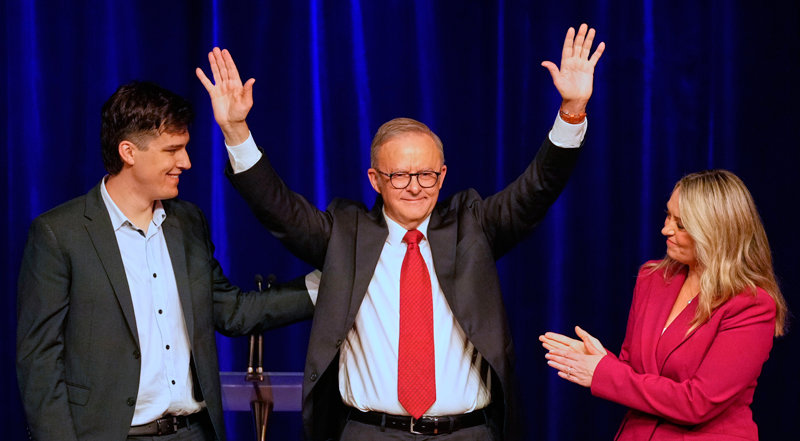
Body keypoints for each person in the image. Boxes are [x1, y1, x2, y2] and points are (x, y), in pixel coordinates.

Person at [196, 23, 604, 440]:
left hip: (467, 433)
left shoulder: (473, 226)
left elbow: (537, 188)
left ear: (443, 175)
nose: (414, 187)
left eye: (426, 174)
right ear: (375, 180)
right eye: (399, 176)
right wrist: (236, 132)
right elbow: (278, 209)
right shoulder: (346, 235)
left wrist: (571, 110)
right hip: (370, 432)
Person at [16, 81, 315, 441]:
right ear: (128, 152)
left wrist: (326, 286)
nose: (185, 162)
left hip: (194, 432)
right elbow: (39, 362)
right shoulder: (59, 233)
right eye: (172, 150)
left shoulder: (188, 221)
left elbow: (232, 310)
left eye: (184, 148)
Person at [540, 169, 788, 440]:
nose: (666, 229)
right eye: (668, 215)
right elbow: (636, 375)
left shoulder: (751, 305)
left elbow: (698, 403)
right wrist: (600, 361)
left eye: (681, 225)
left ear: (716, 233)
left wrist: (603, 372)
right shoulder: (653, 278)